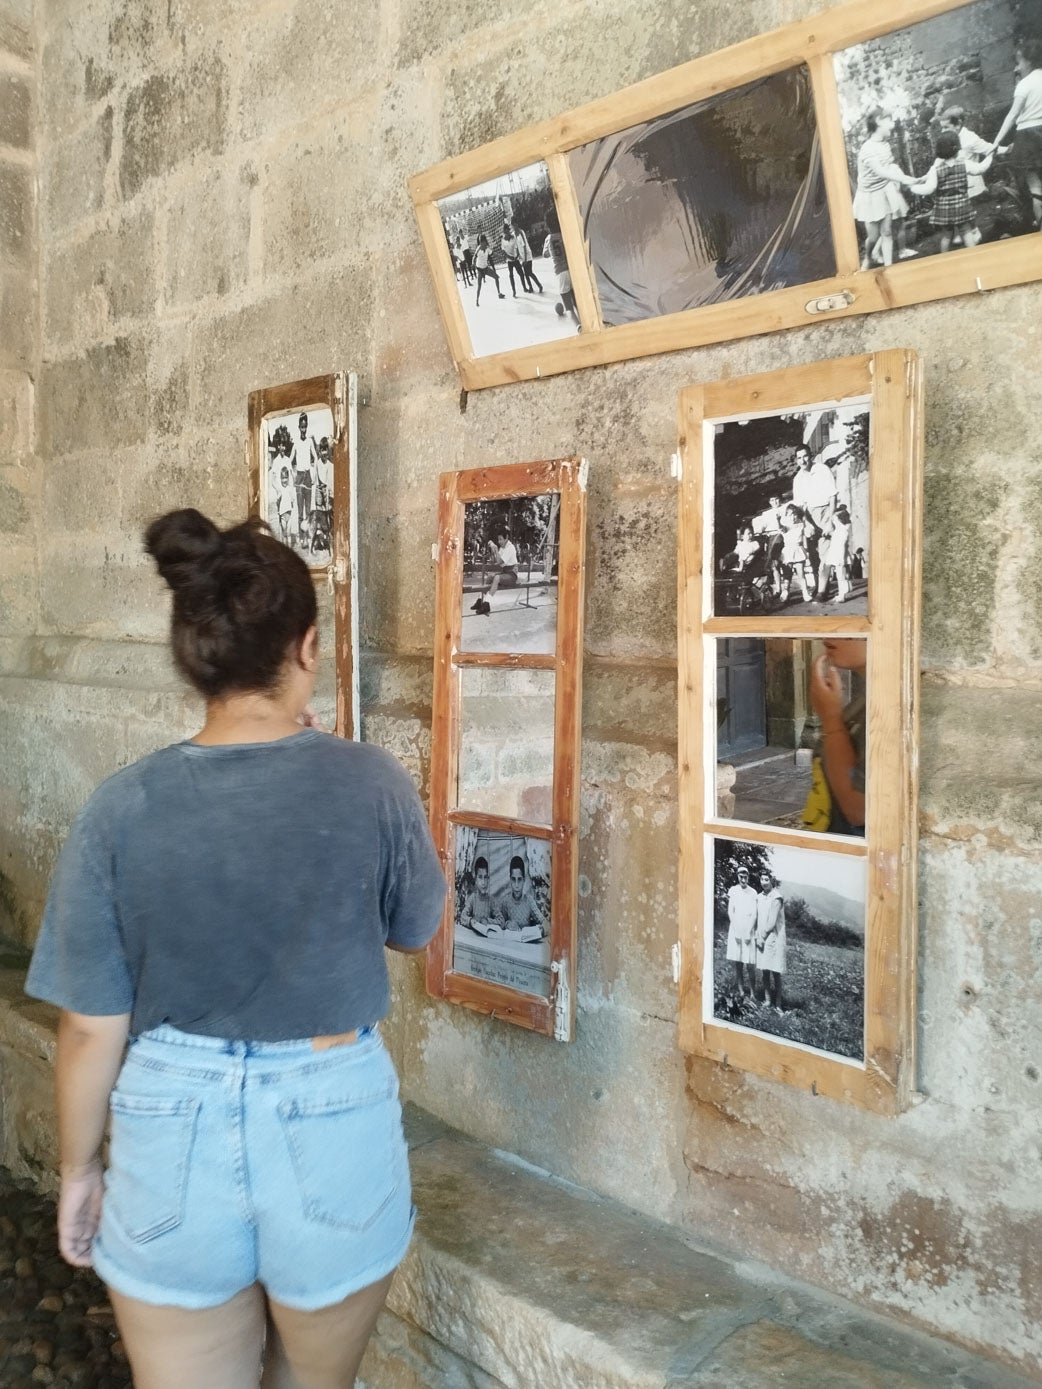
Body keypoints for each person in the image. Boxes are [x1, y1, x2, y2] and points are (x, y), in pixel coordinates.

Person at [25, 508, 447, 1388]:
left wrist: (78, 1171)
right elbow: (415, 929)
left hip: (171, 1124)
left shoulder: (120, 806)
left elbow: (89, 1028)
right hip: (333, 1111)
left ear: (195, 657)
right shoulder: (368, 779)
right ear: (307, 647)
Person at [803, 637, 867, 836]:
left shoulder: (891, 705)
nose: (828, 635)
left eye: (850, 625)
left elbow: (859, 810)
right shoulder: (868, 697)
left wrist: (831, 718)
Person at [988, 37, 1042, 230]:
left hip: (1028, 139)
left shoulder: (1024, 84)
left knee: (1037, 190)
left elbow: (1013, 115)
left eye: (1018, 62)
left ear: (1029, 60)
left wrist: (996, 141)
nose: (1016, 68)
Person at [909, 130, 993, 253]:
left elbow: (929, 188)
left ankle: (945, 259)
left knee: (946, 235)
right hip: (962, 205)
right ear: (957, 148)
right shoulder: (964, 164)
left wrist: (913, 188)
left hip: (944, 208)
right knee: (966, 230)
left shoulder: (935, 169)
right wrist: (990, 156)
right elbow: (980, 169)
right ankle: (974, 256)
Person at [851, 111, 917, 268]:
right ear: (879, 122)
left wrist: (904, 181)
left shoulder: (885, 145)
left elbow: (889, 168)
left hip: (883, 191)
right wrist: (904, 179)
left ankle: (889, 267)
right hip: (869, 196)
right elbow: (880, 171)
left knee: (886, 232)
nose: (893, 125)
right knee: (873, 237)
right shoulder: (867, 149)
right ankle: (867, 259)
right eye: (890, 121)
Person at [754, 871, 786, 1012]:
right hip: (761, 936)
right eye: (762, 879)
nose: (764, 882)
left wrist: (762, 937)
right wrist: (757, 935)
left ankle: (778, 1004)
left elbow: (772, 921)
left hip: (774, 937)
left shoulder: (777, 897)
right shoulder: (759, 897)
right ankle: (767, 1000)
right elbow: (757, 917)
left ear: (771, 881)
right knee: (765, 969)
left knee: (775, 971)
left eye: (766, 879)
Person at [725, 865, 758, 998]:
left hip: (748, 929)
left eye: (745, 877)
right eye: (740, 877)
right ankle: (741, 991)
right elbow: (730, 911)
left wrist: (749, 932)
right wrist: (736, 931)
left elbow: (755, 914)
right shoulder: (733, 890)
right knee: (737, 962)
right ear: (737, 876)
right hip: (735, 929)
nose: (743, 879)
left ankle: (753, 993)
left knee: (750, 964)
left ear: (748, 877)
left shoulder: (753, 892)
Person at [542, 211, 579, 327]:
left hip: (560, 273)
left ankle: (578, 327)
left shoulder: (548, 239)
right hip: (572, 270)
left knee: (569, 309)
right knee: (577, 302)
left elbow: (545, 254)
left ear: (547, 226)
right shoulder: (564, 234)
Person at [496, 856, 546, 941]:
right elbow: (496, 923)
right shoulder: (505, 901)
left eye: (519, 880)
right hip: (509, 947)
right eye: (513, 880)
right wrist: (507, 924)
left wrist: (542, 930)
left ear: (524, 880)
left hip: (526, 949)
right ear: (510, 880)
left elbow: (545, 922)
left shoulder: (529, 901)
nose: (516, 885)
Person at [290, 412, 319, 548]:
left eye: (305, 426)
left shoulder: (309, 441)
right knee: (300, 511)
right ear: (298, 427)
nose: (303, 429)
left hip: (307, 477)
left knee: (308, 512)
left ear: (307, 426)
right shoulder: (295, 442)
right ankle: (302, 539)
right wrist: (294, 475)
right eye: (301, 427)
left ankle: (307, 538)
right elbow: (290, 461)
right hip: (299, 477)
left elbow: (316, 457)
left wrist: (313, 474)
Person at [460, 856, 505, 936]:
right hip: (474, 937)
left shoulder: (491, 901)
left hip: (487, 939)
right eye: (480, 877)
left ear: (488, 879)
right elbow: (463, 916)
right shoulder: (472, 898)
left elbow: (501, 921)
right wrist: (470, 921)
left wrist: (487, 921)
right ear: (476, 879)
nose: (483, 882)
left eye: (485, 877)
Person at [816, 505, 852, 603]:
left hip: (839, 555)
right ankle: (842, 593)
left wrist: (840, 558)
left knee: (841, 575)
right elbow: (835, 535)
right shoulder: (840, 530)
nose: (833, 522)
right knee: (841, 575)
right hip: (835, 553)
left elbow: (841, 545)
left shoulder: (843, 532)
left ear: (840, 520)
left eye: (835, 520)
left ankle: (842, 596)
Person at [474, 530, 518, 605]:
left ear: (506, 538)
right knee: (490, 577)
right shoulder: (502, 547)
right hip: (505, 573)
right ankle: (480, 600)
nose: (499, 541)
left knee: (497, 578)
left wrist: (496, 549)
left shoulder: (510, 548)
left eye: (501, 539)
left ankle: (487, 603)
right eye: (498, 539)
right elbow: (496, 561)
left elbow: (500, 561)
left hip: (512, 575)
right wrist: (493, 549)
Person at [473, 234, 505, 305]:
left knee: (496, 277)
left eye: (484, 242)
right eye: (481, 242)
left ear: (485, 242)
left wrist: (501, 256)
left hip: (485, 268)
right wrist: (473, 263)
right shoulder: (478, 249)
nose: (483, 244)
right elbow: (474, 257)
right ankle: (477, 300)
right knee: (479, 285)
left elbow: (493, 253)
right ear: (480, 242)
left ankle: (499, 293)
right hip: (480, 269)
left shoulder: (487, 248)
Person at [273, 461, 299, 546]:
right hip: (283, 515)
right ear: (280, 479)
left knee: (288, 534)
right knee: (283, 534)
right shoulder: (280, 489)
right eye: (283, 478)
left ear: (288, 478)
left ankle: (289, 550)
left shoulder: (289, 488)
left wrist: (292, 499)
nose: (284, 480)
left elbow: (293, 500)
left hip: (289, 515)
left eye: (286, 478)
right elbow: (278, 501)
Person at [513, 223, 542, 293]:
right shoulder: (514, 234)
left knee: (529, 272)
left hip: (527, 254)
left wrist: (525, 259)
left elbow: (524, 246)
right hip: (522, 256)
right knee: (526, 273)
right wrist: (517, 255)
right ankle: (531, 287)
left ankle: (539, 285)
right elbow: (516, 246)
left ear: (517, 225)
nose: (513, 227)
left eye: (514, 225)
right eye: (512, 225)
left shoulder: (521, 232)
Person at [500, 223, 526, 297]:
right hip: (509, 261)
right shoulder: (502, 240)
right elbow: (503, 251)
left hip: (515, 259)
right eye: (506, 230)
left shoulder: (513, 237)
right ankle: (514, 291)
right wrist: (509, 257)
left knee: (521, 273)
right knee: (511, 275)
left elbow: (517, 246)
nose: (508, 231)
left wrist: (517, 254)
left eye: (508, 230)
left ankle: (524, 287)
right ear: (504, 231)